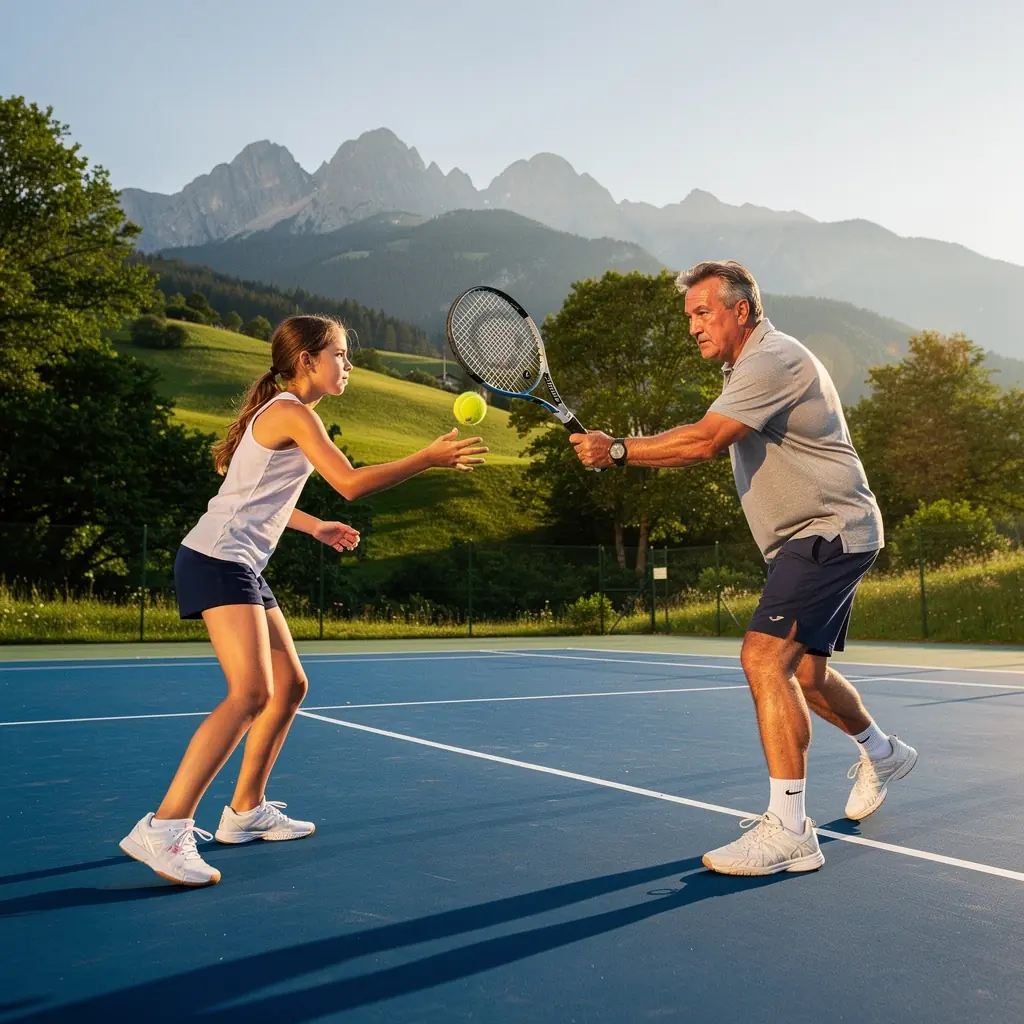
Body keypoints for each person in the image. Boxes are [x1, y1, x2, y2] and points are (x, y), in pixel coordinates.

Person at [569, 261, 916, 876]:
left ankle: (789, 829)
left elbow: (705, 440)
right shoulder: (747, 367)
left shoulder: (770, 359)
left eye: (703, 313)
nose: (693, 328)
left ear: (741, 311)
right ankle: (882, 753)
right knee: (807, 676)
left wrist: (616, 449)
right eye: (689, 318)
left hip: (827, 530)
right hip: (825, 534)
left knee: (762, 657)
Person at [120, 314, 487, 886]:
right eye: (340, 354)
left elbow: (254, 497)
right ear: (306, 361)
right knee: (250, 693)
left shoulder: (292, 415)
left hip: (236, 561)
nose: (348, 365)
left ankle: (244, 812)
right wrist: (426, 458)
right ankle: (165, 827)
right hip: (219, 559)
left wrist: (314, 526)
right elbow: (351, 482)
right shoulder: (291, 410)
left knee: (289, 686)